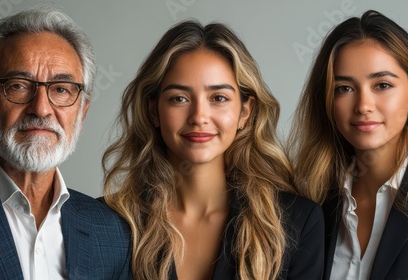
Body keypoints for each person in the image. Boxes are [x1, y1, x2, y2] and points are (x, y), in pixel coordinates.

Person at [102, 20, 324, 280]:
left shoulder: (297, 222)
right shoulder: (110, 222)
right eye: (179, 98)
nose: (199, 116)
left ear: (245, 111)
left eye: (218, 98)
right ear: (154, 111)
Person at [0, 5, 131, 279]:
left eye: (61, 89)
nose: (41, 109)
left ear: (82, 112)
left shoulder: (113, 232)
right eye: (18, 85)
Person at [286, 9, 408, 280]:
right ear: (327, 101)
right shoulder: (309, 202)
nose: (363, 106)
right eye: (344, 88)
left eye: (382, 85)